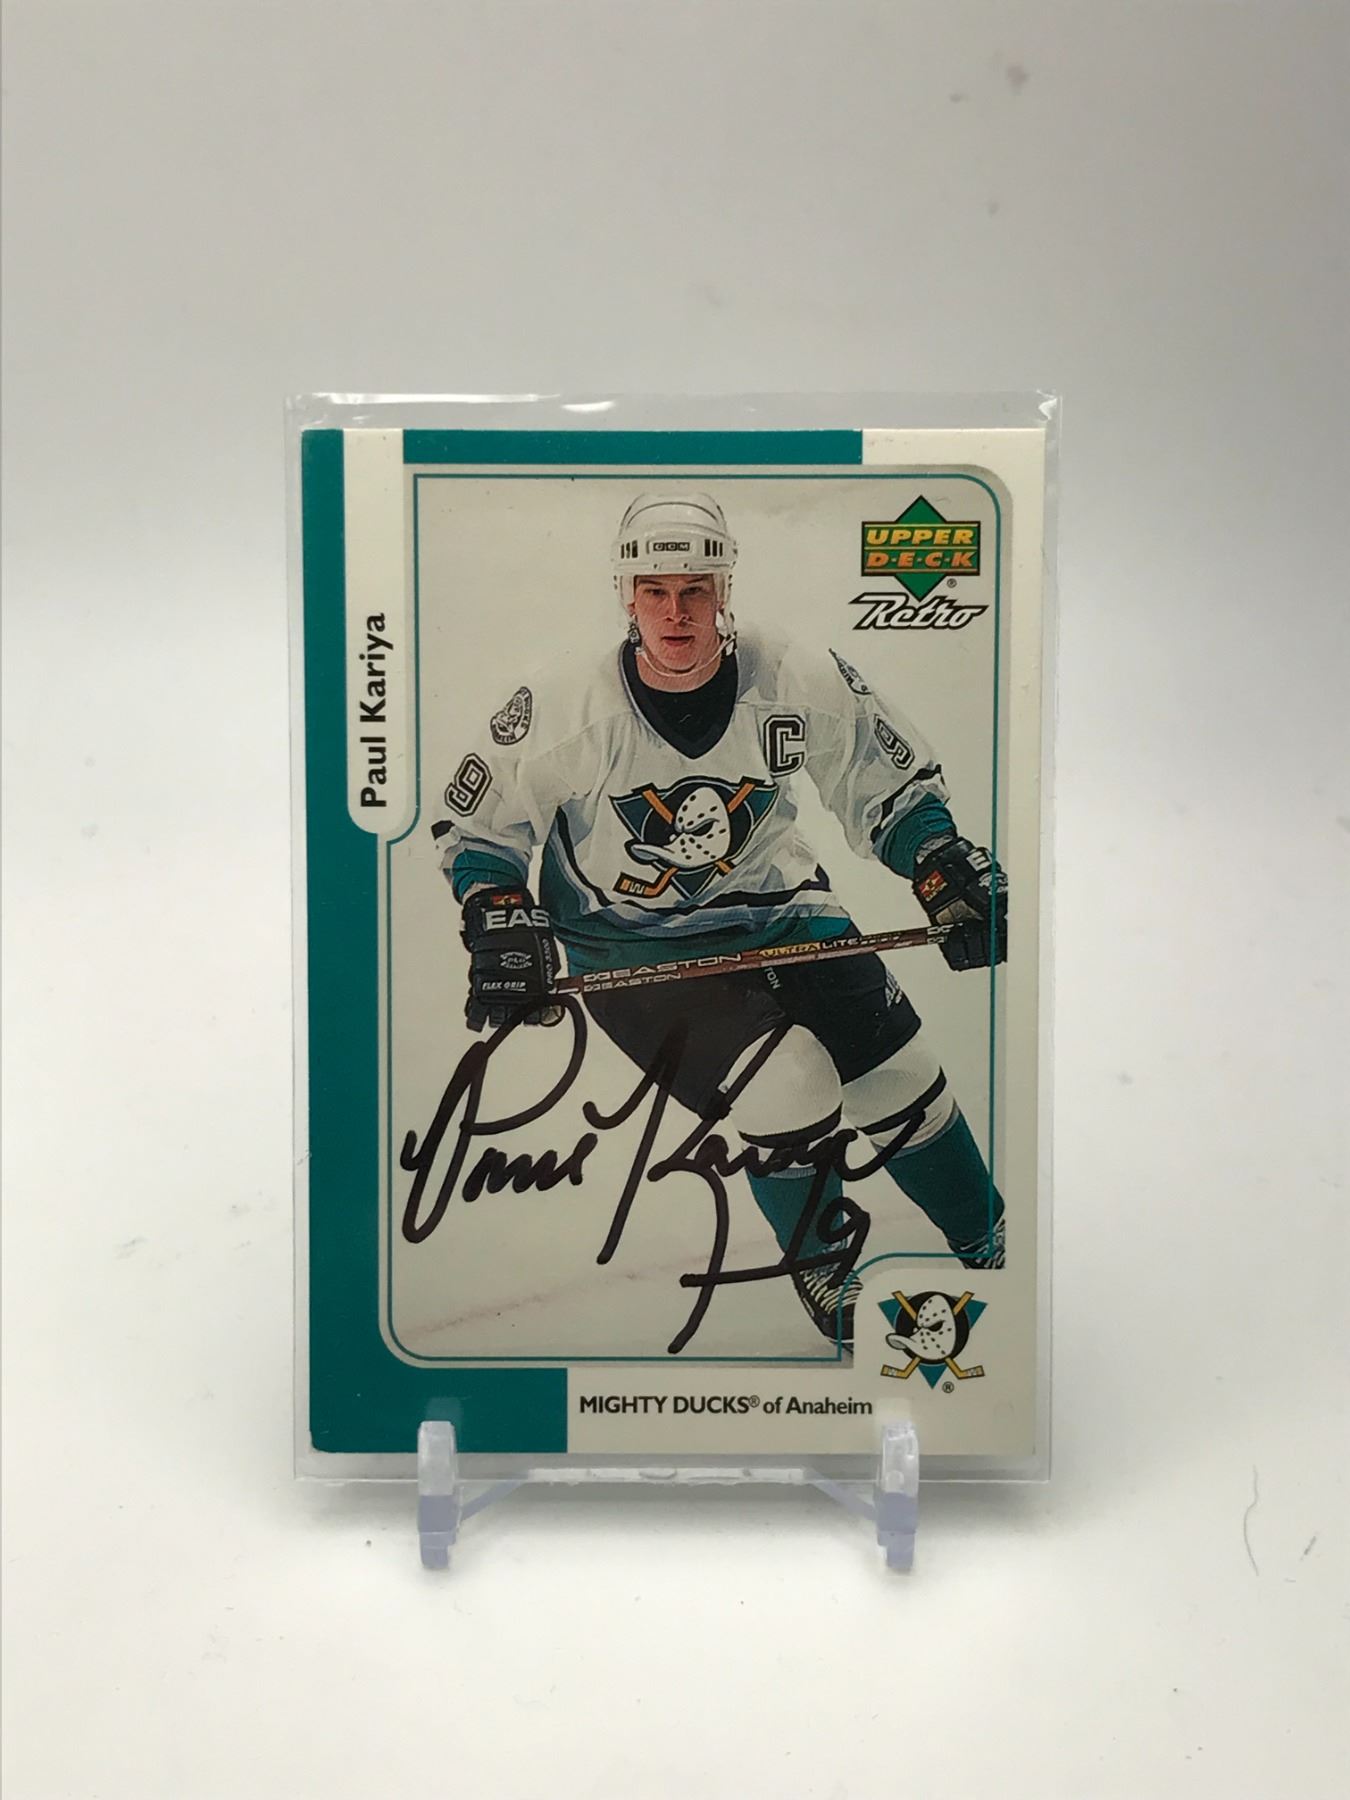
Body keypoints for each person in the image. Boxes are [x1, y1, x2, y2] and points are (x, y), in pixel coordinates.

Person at [432, 494, 1007, 1348]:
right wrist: (499, 913)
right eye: (655, 591)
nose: (676, 612)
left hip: (785, 911)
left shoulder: (794, 677)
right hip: (630, 941)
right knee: (790, 1081)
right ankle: (823, 1265)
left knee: (903, 1082)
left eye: (695, 590)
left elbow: (884, 781)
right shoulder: (566, 707)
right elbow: (478, 829)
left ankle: (991, 1244)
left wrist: (936, 859)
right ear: (626, 595)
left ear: (724, 589)